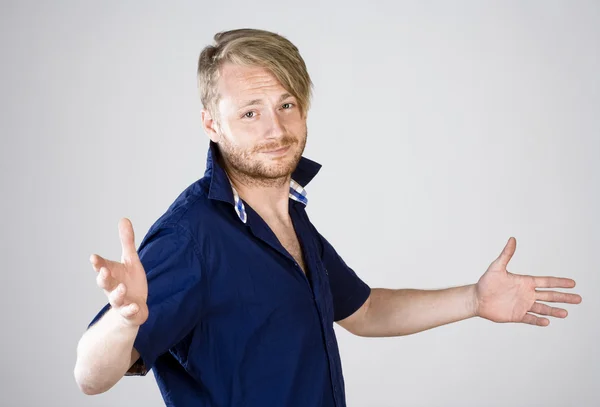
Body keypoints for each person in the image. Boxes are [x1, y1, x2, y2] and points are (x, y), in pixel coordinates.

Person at [73, 28, 582, 407]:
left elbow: (363, 312)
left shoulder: (291, 218)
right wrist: (124, 320)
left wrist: (473, 299)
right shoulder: (193, 236)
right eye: (250, 112)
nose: (275, 127)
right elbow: (89, 376)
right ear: (211, 122)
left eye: (286, 104)